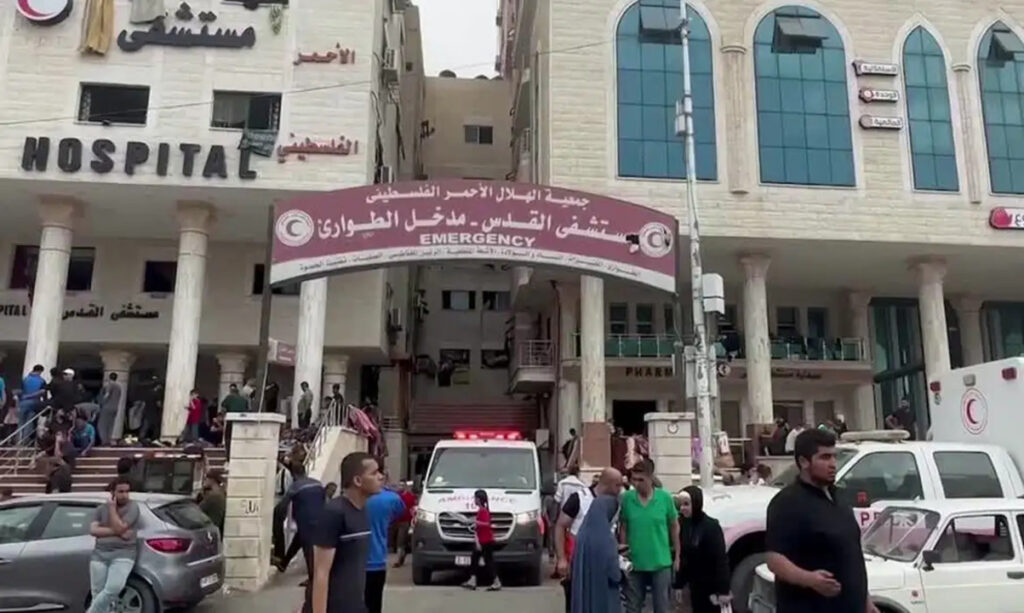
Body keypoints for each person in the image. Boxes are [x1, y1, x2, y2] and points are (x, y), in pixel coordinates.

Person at [766, 429, 876, 613]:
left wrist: (866, 600)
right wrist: (809, 579)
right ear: (804, 462)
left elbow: (851, 556)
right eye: (825, 457)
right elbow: (774, 560)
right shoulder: (788, 503)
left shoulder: (839, 497)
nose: (833, 464)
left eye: (834, 457)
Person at [306, 451, 383, 613]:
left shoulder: (363, 511)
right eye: (374, 473)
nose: (381, 477)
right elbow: (321, 573)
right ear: (357, 480)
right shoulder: (334, 512)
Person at [556, 468, 623, 613]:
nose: (620, 489)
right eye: (617, 485)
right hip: (580, 558)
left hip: (604, 560)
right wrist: (562, 558)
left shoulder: (615, 503)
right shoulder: (579, 498)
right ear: (607, 483)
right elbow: (561, 525)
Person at [619, 462, 679, 613]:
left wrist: (678, 556)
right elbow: (624, 527)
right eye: (634, 479)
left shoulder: (665, 498)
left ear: (651, 478)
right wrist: (623, 553)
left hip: (660, 562)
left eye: (641, 480)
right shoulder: (627, 499)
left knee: (662, 607)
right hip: (634, 563)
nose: (636, 484)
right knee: (632, 607)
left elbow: (674, 527)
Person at [86, 477, 139, 613]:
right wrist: (118, 532)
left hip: (123, 554)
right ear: (112, 492)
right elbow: (93, 530)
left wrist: (112, 510)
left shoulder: (133, 507)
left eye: (127, 491)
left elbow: (120, 527)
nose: (124, 495)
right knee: (97, 593)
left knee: (113, 588)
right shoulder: (100, 509)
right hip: (99, 555)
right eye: (121, 492)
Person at [674, 486, 731, 613]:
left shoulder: (711, 526)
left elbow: (720, 559)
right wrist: (679, 584)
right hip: (694, 586)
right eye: (680, 504)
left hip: (711, 586)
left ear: (696, 503)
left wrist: (723, 590)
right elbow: (682, 556)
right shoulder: (682, 524)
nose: (682, 508)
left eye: (686, 504)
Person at [570, 495, 623, 613]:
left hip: (585, 592)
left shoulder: (582, 535)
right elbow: (614, 574)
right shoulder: (606, 538)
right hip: (604, 594)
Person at [275, 463, 326, 580]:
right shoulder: (318, 483)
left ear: (294, 474)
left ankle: (312, 579)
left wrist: (277, 518)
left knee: (308, 549)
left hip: (305, 521)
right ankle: (284, 563)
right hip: (321, 518)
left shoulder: (296, 486)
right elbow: (325, 499)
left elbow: (283, 506)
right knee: (298, 541)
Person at [364, 483, 407, 613]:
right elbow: (399, 512)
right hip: (377, 560)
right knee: (374, 603)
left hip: (353, 563)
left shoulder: (352, 499)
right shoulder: (392, 498)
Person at [461, 489, 501, 591]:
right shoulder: (481, 511)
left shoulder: (483, 511)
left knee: (488, 561)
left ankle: (496, 582)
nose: (474, 500)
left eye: (475, 498)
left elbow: (487, 524)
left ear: (479, 499)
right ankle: (472, 580)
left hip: (486, 541)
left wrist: (476, 522)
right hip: (481, 540)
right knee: (475, 559)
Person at [18, 365, 47, 443]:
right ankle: (25, 441)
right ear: (40, 371)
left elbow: (20, 391)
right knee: (29, 422)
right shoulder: (42, 381)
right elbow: (44, 394)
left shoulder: (25, 379)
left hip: (23, 402)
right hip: (34, 403)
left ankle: (19, 440)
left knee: (21, 422)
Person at [393, 482, 416, 568]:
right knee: (398, 541)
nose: (401, 487)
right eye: (399, 485)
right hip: (395, 521)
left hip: (405, 522)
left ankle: (398, 560)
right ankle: (402, 555)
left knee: (401, 540)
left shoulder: (410, 496)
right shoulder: (395, 496)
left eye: (402, 485)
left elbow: (413, 509)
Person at [97, 373, 122, 445]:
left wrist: (101, 402)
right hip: (115, 408)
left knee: (102, 425)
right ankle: (109, 439)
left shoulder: (109, 385)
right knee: (111, 425)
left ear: (109, 378)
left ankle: (104, 441)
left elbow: (107, 395)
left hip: (107, 407)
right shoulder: (119, 387)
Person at [198, 470, 226, 535]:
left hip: (209, 531)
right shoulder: (221, 493)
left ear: (212, 480)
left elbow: (197, 512)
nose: (204, 480)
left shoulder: (213, 497)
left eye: (206, 478)